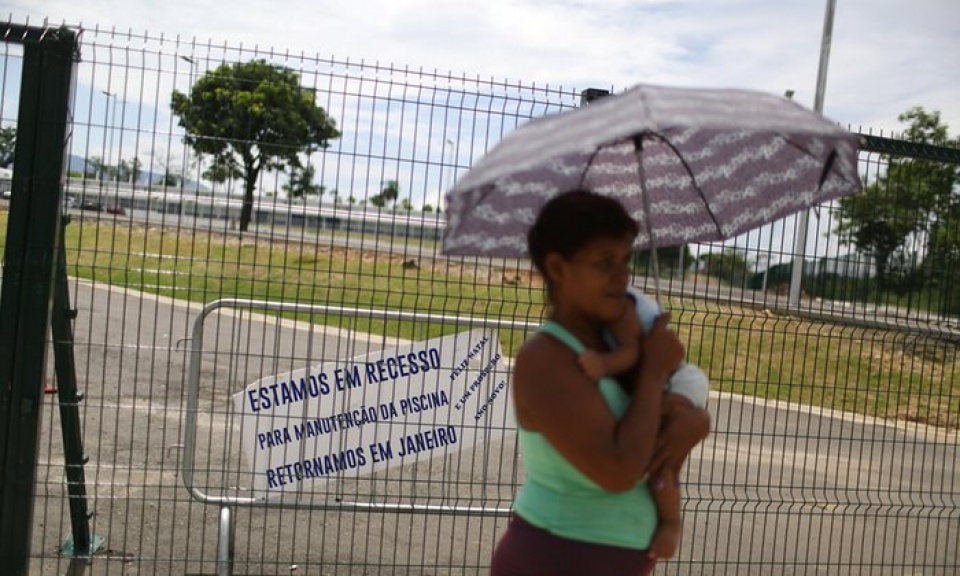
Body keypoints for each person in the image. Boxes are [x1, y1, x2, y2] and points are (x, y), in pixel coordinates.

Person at [490, 189, 711, 576]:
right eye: (603, 262)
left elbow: (651, 421)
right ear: (557, 268)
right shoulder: (545, 359)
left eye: (626, 259)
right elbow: (620, 470)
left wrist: (693, 422)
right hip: (557, 559)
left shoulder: (619, 339)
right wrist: (654, 370)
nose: (621, 277)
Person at [578, 286, 711, 560]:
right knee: (659, 463)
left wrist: (604, 364)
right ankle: (668, 516)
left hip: (678, 381)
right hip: (665, 379)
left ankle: (671, 521)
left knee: (662, 463)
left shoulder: (618, 303)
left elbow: (630, 352)